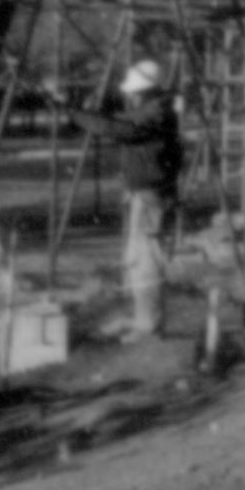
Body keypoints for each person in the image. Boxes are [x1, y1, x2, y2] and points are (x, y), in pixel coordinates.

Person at [65, 60, 184, 342]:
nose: (131, 96)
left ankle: (149, 326)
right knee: (137, 259)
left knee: (146, 260)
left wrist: (76, 115)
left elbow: (118, 129)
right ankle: (145, 320)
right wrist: (83, 113)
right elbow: (118, 123)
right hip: (145, 193)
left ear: (144, 91)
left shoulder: (155, 113)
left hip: (151, 194)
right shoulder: (151, 109)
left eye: (135, 91)